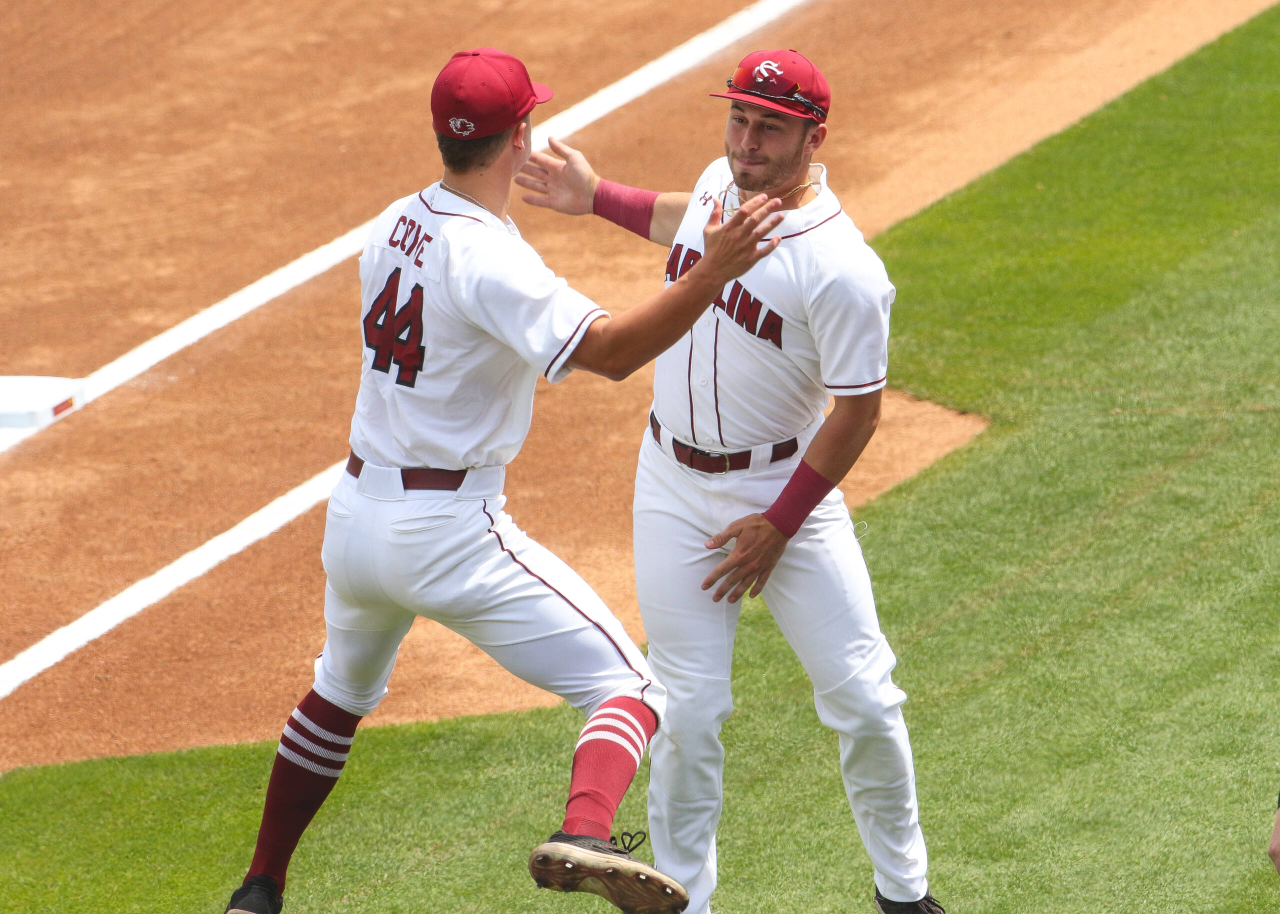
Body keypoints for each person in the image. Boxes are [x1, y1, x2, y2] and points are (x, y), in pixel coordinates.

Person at [221, 47, 784, 914]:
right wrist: (711, 271)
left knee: (338, 693)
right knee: (632, 688)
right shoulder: (490, 258)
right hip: (448, 529)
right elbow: (611, 354)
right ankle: (587, 832)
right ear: (520, 135)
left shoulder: (390, 224)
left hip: (357, 515)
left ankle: (260, 886)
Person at [516, 48, 945, 914]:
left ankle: (905, 893)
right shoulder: (723, 180)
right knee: (689, 715)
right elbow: (687, 218)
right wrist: (596, 197)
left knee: (863, 697)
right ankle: (688, 904)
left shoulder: (845, 270)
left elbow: (858, 413)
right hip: (671, 485)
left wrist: (778, 526)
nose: (747, 140)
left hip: (786, 495)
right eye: (740, 118)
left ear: (812, 138)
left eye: (770, 127)